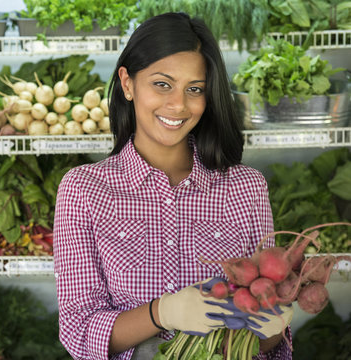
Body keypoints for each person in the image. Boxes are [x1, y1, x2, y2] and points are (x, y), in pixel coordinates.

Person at [53, 11, 293, 360]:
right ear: (127, 83)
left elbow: (264, 328)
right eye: (162, 84)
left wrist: (272, 329)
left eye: (194, 89)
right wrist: (160, 313)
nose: (178, 104)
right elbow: (79, 332)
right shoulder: (84, 190)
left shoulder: (245, 187)